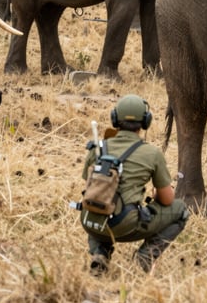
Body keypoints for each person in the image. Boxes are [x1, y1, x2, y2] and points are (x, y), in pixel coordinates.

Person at [80, 94, 190, 274]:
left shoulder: (99, 147)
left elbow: (89, 186)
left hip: (89, 221)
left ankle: (99, 254)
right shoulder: (152, 153)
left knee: (101, 201)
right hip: (125, 225)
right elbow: (168, 200)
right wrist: (155, 195)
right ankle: (144, 258)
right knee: (180, 211)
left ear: (115, 119)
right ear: (146, 122)